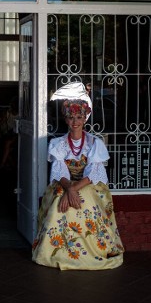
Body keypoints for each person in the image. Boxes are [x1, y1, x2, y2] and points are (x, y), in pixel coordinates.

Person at [32, 83, 124, 270]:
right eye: (71, 117)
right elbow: (60, 172)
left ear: (85, 119)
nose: (75, 122)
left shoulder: (94, 143)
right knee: (58, 199)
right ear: (66, 119)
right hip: (65, 183)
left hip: (86, 183)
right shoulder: (58, 144)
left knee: (87, 197)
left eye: (79, 117)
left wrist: (73, 190)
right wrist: (68, 189)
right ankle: (59, 250)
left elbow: (93, 173)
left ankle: (93, 250)